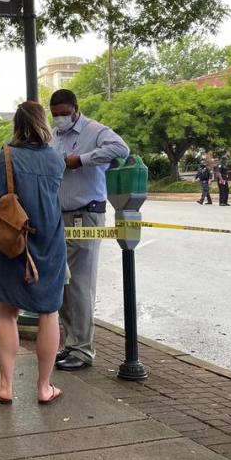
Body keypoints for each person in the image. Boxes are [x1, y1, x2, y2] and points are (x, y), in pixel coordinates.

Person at [0, 101, 67, 405]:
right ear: (43, 122)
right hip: (50, 243)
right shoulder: (56, 160)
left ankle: (5, 385)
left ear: (17, 124)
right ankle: (44, 388)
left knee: (8, 312)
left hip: (12, 244)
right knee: (49, 312)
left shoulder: (6, 156)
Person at [49, 89, 130, 371]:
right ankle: (71, 344)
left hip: (85, 215)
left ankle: (83, 350)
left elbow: (121, 149)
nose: (60, 118)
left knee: (81, 284)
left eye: (63, 113)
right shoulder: (53, 136)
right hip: (59, 217)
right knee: (64, 284)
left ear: (75, 109)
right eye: (55, 114)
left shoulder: (95, 131)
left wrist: (80, 160)